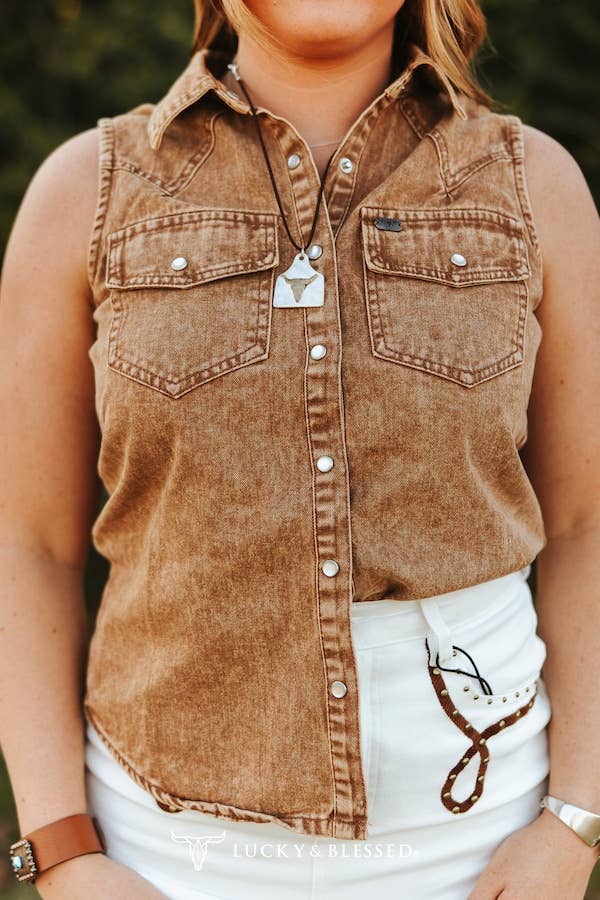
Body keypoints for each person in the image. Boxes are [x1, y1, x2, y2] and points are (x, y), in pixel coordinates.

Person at [1, 1, 599, 898]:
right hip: (159, 859)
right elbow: (25, 543)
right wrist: (61, 849)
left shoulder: (533, 185)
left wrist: (578, 822)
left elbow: (588, 525)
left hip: (486, 853)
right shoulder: (81, 192)